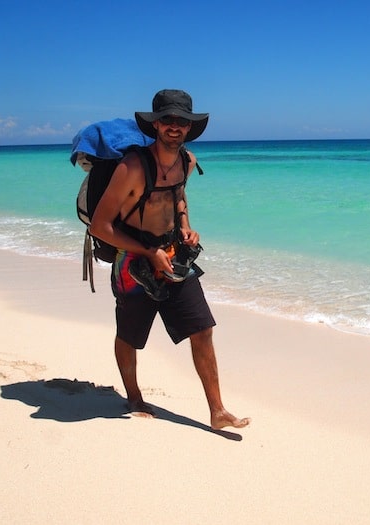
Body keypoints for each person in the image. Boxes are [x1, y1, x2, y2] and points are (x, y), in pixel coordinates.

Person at [89, 89, 250, 430]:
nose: (175, 127)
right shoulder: (132, 166)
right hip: (133, 260)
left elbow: (179, 198)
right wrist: (148, 252)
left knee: (202, 328)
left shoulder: (187, 161)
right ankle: (133, 397)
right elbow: (101, 225)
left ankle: (218, 410)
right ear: (155, 125)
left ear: (190, 127)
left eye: (182, 121)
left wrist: (187, 228)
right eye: (168, 120)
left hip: (174, 254)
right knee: (130, 336)